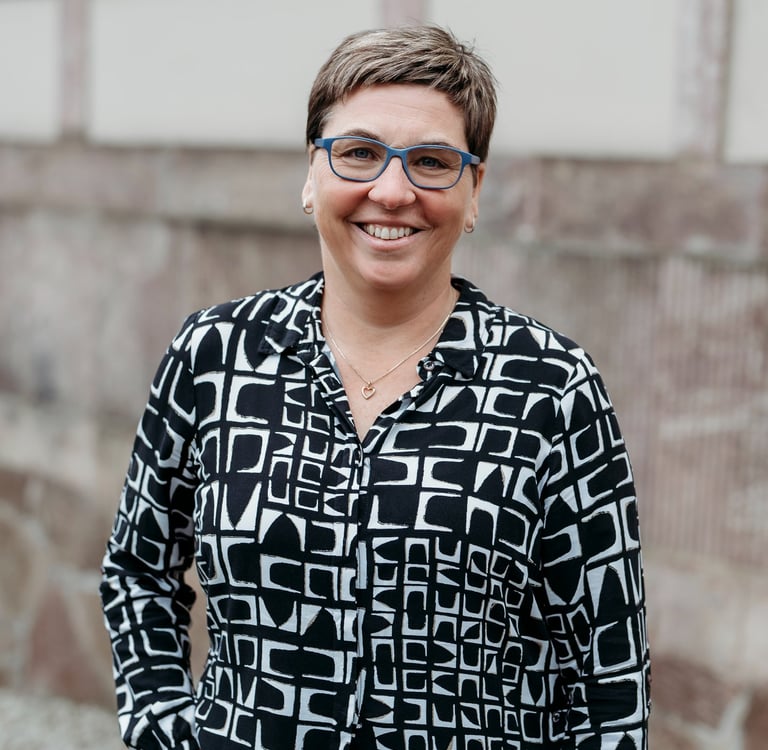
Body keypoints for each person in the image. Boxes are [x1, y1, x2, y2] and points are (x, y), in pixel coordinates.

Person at [100, 25, 651, 750]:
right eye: (359, 152)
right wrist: (163, 731)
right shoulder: (217, 355)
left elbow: (609, 669)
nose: (392, 192)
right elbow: (138, 572)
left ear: (474, 190)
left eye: (432, 162)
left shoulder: (550, 386)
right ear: (311, 173)